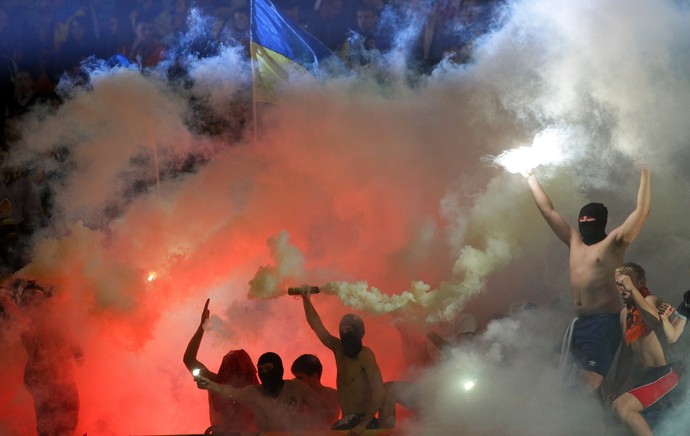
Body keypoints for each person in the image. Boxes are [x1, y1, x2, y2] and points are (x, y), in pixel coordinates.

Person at [524, 164, 651, 391]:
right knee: (561, 379)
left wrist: (645, 171)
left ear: (600, 222)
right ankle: (591, 422)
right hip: (579, 323)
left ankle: (593, 420)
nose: (584, 224)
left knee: (587, 384)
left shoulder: (613, 243)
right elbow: (548, 210)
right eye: (582, 220)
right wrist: (531, 177)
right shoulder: (574, 242)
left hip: (604, 323)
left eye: (590, 221)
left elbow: (641, 212)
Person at [0, 278, 83, 436]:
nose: (34, 302)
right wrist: (4, 297)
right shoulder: (29, 323)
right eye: (29, 299)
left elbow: (76, 348)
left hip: (66, 385)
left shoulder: (57, 322)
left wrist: (77, 352)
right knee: (50, 429)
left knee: (67, 429)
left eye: (37, 297)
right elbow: (17, 317)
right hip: (45, 384)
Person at [299, 289, 386, 434]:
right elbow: (317, 327)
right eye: (342, 330)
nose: (345, 333)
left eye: (349, 329)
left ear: (358, 332)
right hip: (347, 420)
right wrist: (306, 300)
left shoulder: (365, 355)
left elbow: (379, 392)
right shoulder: (339, 349)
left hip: (363, 422)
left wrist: (363, 424)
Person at [610, 265, 681, 436]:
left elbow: (654, 320)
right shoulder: (623, 315)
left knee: (622, 407)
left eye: (627, 281)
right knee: (620, 421)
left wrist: (632, 289)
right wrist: (616, 387)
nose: (623, 287)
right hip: (650, 378)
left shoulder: (651, 300)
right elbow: (626, 356)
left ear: (640, 282)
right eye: (619, 283)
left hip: (668, 373)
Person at [195, 351, 331, 432]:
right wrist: (211, 385)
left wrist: (305, 426)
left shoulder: (297, 388)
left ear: (279, 370)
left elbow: (324, 411)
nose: (265, 374)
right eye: (261, 370)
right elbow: (232, 392)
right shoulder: (254, 393)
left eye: (268, 369)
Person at [183, 298, 259, 434]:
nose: (234, 373)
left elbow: (189, 359)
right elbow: (189, 359)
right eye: (229, 366)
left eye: (237, 369)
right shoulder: (214, 382)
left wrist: (202, 326)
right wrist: (202, 326)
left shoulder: (255, 392)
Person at [290, 353, 341, 426]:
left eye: (300, 378)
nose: (295, 380)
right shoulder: (298, 395)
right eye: (295, 377)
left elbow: (328, 419)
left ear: (314, 376)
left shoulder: (332, 395)